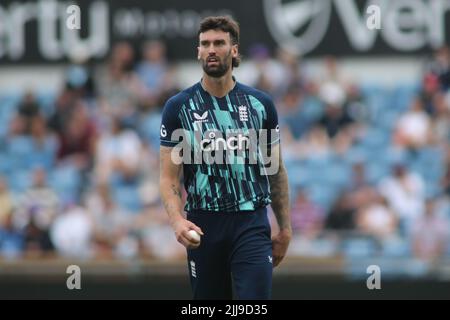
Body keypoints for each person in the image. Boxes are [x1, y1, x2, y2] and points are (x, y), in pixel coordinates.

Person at [159, 16, 291, 300]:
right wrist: (176, 221)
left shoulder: (260, 104)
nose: (211, 49)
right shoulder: (178, 107)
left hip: (251, 222)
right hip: (203, 224)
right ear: (197, 51)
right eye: (205, 44)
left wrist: (286, 228)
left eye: (219, 43)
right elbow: (168, 177)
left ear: (234, 50)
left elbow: (276, 171)